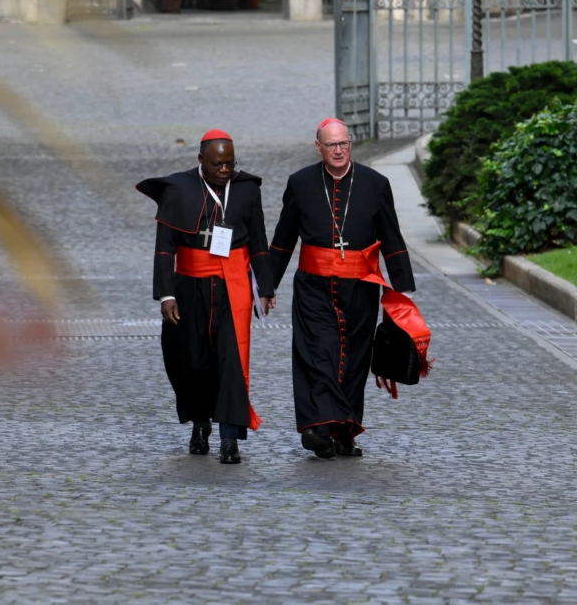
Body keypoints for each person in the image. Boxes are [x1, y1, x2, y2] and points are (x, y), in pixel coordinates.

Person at [265, 118, 429, 459]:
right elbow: (283, 240)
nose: (338, 151)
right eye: (331, 145)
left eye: (343, 144)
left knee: (355, 359)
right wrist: (267, 285)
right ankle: (317, 428)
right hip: (313, 287)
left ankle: (345, 432)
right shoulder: (301, 183)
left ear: (350, 145)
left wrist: (403, 292)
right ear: (318, 147)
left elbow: (392, 237)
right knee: (318, 354)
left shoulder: (375, 183)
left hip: (360, 288)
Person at [136, 129, 274, 465]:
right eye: (217, 164)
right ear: (201, 161)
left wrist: (266, 289)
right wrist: (166, 295)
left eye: (229, 163)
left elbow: (257, 241)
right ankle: (200, 425)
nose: (225, 170)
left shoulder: (246, 189)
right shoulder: (178, 189)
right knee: (192, 361)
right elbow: (165, 248)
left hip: (232, 287)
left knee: (231, 361)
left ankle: (230, 438)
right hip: (189, 287)